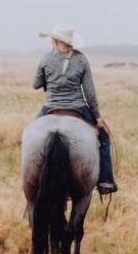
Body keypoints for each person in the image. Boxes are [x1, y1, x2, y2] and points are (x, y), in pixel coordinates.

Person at [33, 23, 117, 195]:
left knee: (30, 136)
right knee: (105, 138)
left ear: (55, 40)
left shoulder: (46, 58)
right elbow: (90, 94)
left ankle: (32, 182)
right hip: (77, 106)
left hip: (50, 106)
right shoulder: (81, 60)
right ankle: (105, 180)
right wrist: (98, 117)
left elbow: (36, 84)